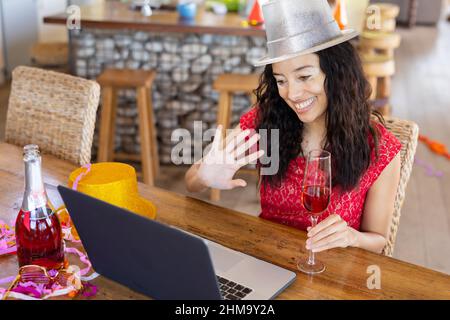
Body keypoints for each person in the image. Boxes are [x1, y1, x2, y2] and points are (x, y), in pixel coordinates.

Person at [185, 0, 401, 255]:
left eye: (304, 76)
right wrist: (204, 177)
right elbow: (192, 180)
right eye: (281, 81)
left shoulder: (381, 149)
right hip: (268, 260)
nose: (293, 93)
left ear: (337, 74)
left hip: (334, 273)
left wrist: (352, 237)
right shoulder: (265, 122)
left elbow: (378, 240)